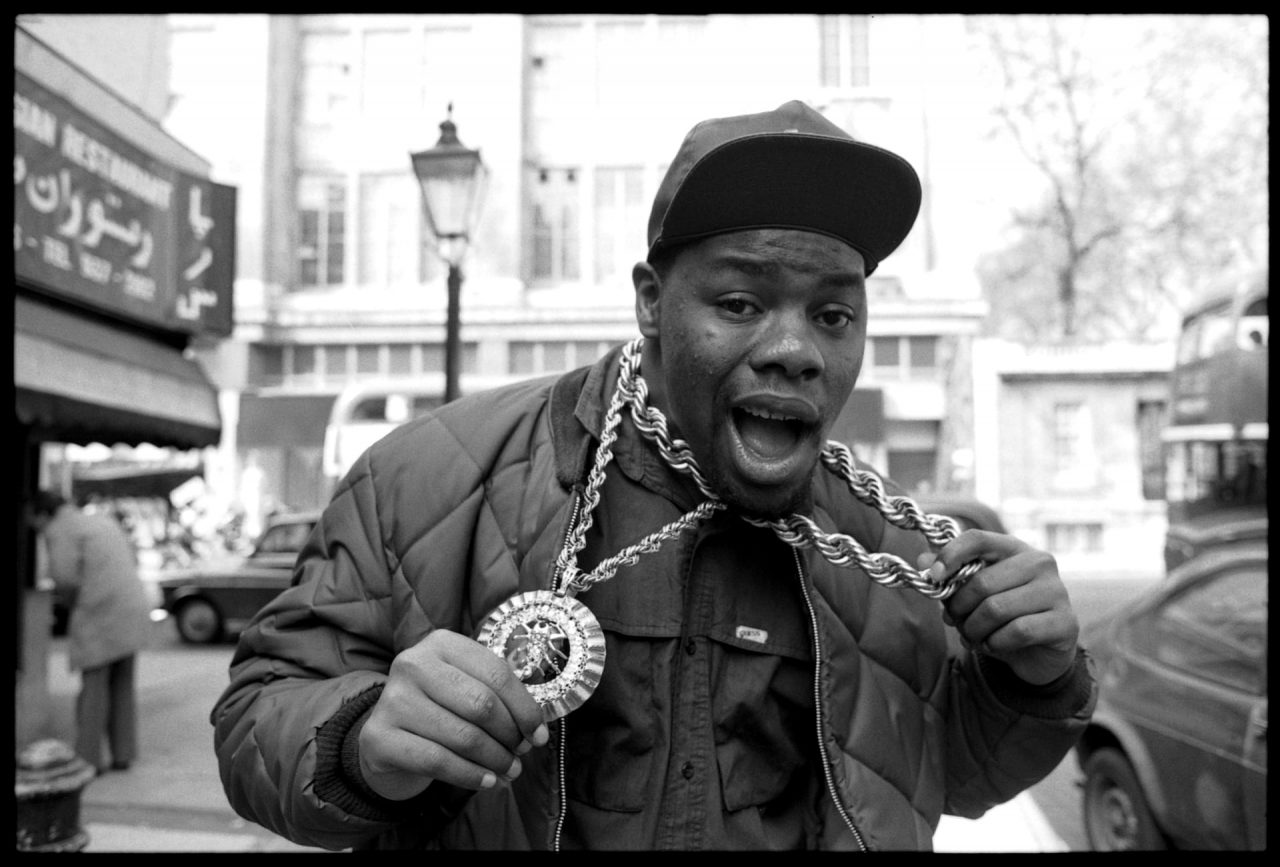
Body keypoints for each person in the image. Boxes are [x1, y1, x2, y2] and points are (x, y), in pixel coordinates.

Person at [212, 100, 1095, 851]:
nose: (795, 352)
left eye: (833, 313)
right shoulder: (429, 475)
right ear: (649, 303)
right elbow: (258, 715)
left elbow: (950, 772)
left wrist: (1035, 677)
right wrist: (363, 740)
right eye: (740, 303)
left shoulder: (889, 544)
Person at [30, 488, 153, 774]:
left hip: (101, 614)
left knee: (93, 691)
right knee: (122, 685)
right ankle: (123, 754)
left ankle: (88, 759)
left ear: (42, 514)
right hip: (131, 608)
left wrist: (70, 606)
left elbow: (64, 578)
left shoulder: (60, 528)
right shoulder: (98, 521)